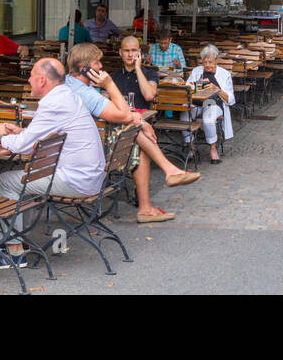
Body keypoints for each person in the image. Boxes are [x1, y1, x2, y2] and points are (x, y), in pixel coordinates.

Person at [0, 58, 105, 269]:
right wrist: (23, 132)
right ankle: (20, 240)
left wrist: (1, 136)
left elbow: (22, 146)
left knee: (7, 181)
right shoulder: (67, 95)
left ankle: (13, 253)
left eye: (30, 76)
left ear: (41, 80)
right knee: (22, 178)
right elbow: (42, 135)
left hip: (77, 179)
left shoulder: (52, 103)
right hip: (90, 176)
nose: (28, 80)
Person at [64, 43, 199, 224]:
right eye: (97, 63)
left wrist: (135, 119)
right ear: (84, 68)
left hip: (81, 142)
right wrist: (137, 118)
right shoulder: (84, 91)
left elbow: (116, 106)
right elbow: (123, 114)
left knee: (135, 135)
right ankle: (163, 181)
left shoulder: (70, 83)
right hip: (86, 150)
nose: (101, 67)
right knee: (135, 135)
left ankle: (160, 187)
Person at [185, 45, 235, 162]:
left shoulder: (224, 74)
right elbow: (187, 88)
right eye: (205, 62)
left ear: (216, 60)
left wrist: (216, 89)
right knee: (184, 113)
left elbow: (230, 99)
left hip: (213, 103)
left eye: (210, 62)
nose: (207, 65)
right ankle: (191, 146)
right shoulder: (196, 71)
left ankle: (213, 148)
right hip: (197, 102)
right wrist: (196, 86)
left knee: (208, 118)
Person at [112, 36, 158, 110]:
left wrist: (137, 68)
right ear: (120, 52)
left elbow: (149, 96)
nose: (130, 54)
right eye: (126, 50)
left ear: (139, 52)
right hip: (118, 119)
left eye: (134, 50)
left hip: (142, 119)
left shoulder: (150, 73)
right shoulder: (113, 76)